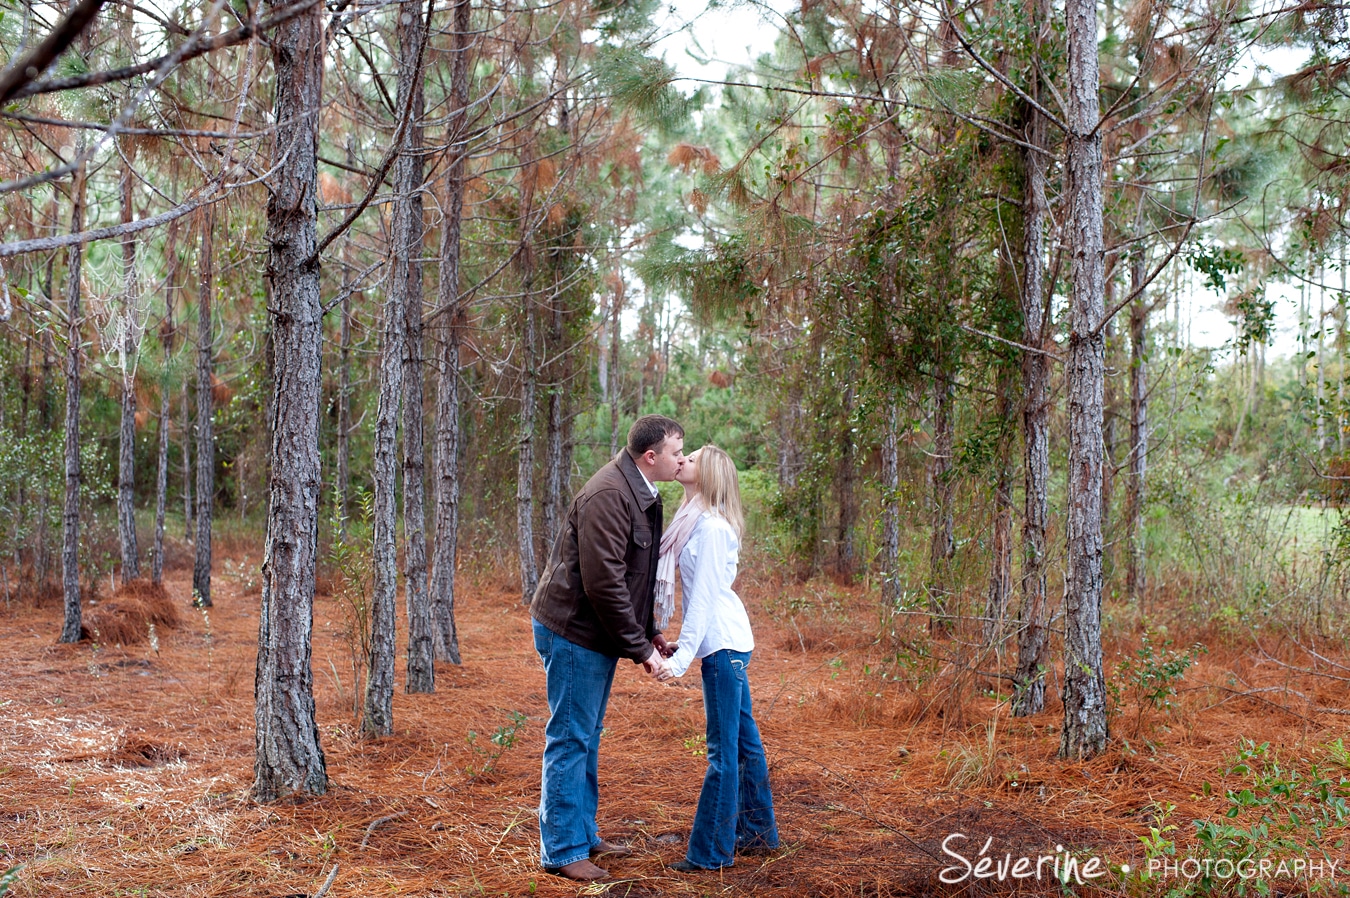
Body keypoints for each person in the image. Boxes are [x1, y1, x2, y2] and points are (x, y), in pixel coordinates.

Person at [529, 414, 685, 881]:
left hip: (596, 634)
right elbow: (604, 585)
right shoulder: (610, 495)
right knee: (571, 738)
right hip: (575, 632)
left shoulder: (640, 491)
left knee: (586, 736)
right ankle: (561, 851)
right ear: (651, 456)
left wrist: (651, 629)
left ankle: (582, 834)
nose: (682, 460)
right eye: (677, 452)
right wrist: (642, 651)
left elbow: (631, 577)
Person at [656, 445, 780, 872]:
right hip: (728, 642)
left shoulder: (709, 528)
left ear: (706, 475)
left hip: (723, 645)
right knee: (744, 744)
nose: (682, 461)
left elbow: (704, 598)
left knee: (723, 753)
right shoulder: (695, 521)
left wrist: (681, 658)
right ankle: (758, 833)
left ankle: (710, 853)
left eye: (690, 458)